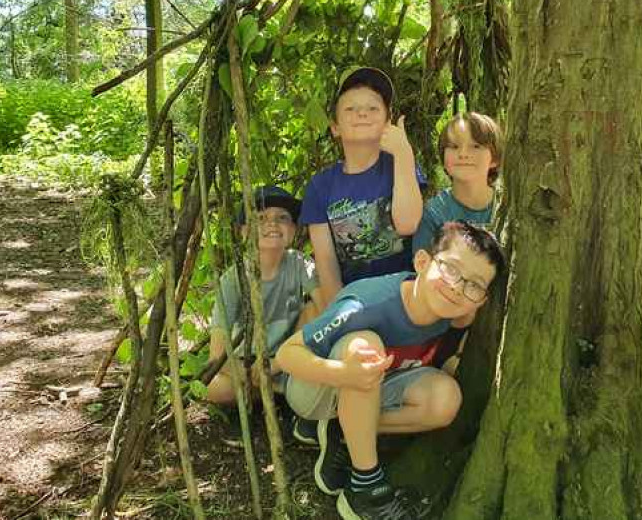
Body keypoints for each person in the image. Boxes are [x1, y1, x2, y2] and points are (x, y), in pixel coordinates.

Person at [275, 221, 506, 520]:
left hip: (367, 390)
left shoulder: (451, 314)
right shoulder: (367, 305)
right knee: (365, 346)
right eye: (450, 269)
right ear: (422, 262)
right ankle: (366, 488)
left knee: (445, 399)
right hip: (316, 389)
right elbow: (287, 354)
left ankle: (343, 431)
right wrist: (344, 374)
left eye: (473, 284)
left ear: (482, 299)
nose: (457, 287)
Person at [207, 185, 325, 443]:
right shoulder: (234, 279)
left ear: (293, 231)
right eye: (260, 218)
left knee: (314, 308)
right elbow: (216, 354)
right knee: (215, 386)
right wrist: (254, 374)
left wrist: (275, 366)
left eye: (282, 217)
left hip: (287, 360)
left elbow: (325, 308)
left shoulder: (300, 266)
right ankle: (269, 396)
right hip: (244, 366)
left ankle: (280, 393)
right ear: (244, 231)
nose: (272, 223)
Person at [300, 67, 425, 303]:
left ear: (388, 122)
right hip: (354, 301)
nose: (362, 114)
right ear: (335, 127)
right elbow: (326, 263)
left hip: (407, 295)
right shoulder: (320, 186)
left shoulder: (399, 164)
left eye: (373, 108)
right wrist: (339, 314)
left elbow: (408, 224)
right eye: (350, 109)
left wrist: (404, 153)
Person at [412, 112, 502, 253]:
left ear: (494, 158)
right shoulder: (434, 213)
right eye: (454, 147)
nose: (463, 154)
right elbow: (424, 267)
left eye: (476, 146)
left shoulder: (508, 206)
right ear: (443, 159)